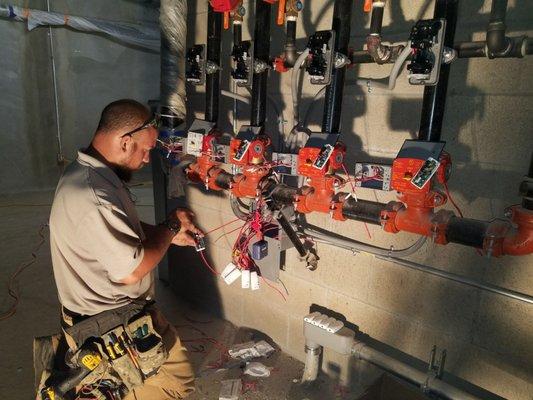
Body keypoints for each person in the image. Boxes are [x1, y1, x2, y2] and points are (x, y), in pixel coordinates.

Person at [49, 99, 199, 399]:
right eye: (145, 150)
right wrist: (170, 227)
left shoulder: (88, 172)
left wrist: (165, 235)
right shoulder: (94, 193)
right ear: (124, 141)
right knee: (175, 384)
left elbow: (116, 228)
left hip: (97, 316)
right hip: (111, 321)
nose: (146, 159)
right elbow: (130, 271)